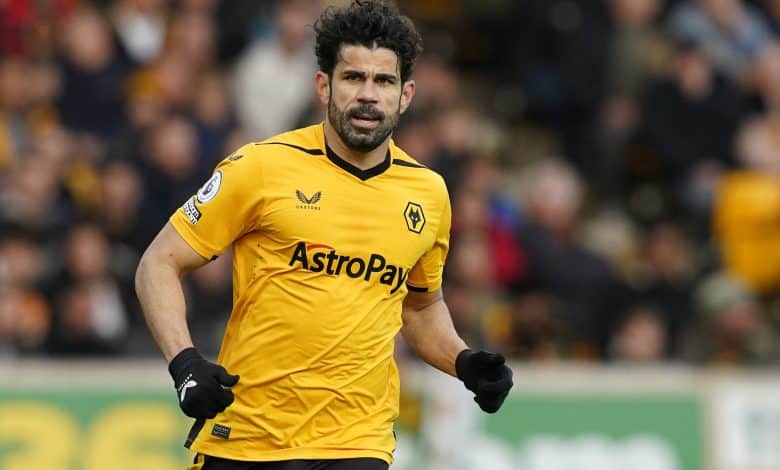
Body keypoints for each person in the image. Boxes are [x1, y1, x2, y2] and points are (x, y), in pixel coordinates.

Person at [134, 2, 514, 470]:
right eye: (353, 77)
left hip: (357, 444)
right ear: (323, 86)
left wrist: (462, 361)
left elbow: (420, 306)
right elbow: (159, 263)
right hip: (247, 439)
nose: (368, 95)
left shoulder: (428, 193)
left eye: (384, 81)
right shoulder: (260, 168)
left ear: (406, 95)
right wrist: (185, 364)